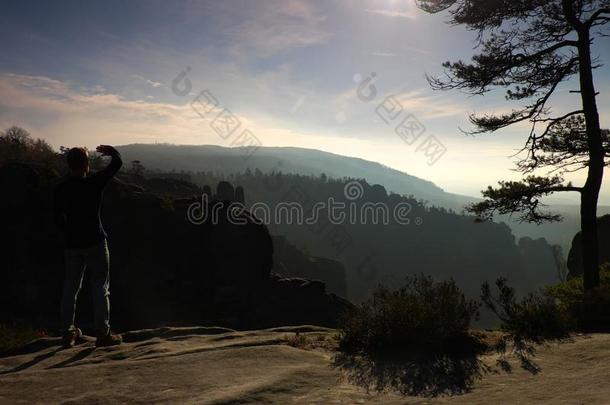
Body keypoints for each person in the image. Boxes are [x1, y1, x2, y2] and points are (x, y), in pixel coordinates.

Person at [54, 145, 123, 348]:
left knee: (70, 288)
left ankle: (67, 332)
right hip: (95, 241)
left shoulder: (61, 189)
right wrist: (111, 151)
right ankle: (103, 333)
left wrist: (69, 233)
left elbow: (57, 219)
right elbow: (116, 164)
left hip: (72, 244)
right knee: (100, 286)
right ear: (86, 164)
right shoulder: (94, 183)